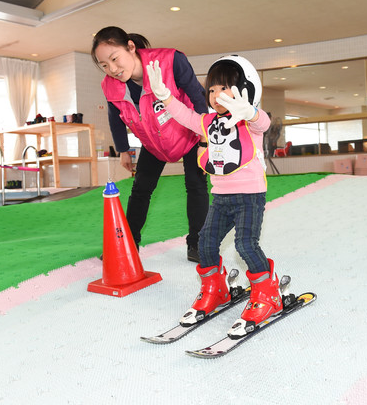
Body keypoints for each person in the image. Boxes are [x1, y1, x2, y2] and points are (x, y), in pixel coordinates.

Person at [146, 55, 284, 338]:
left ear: (244, 89)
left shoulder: (248, 121)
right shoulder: (209, 123)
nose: (216, 95)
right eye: (211, 89)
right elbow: (185, 116)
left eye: (225, 88)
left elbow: (265, 124)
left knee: (245, 245)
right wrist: (165, 96)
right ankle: (214, 290)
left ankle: (268, 294)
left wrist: (251, 112)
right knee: (205, 244)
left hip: (249, 195)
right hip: (220, 196)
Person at [91, 26, 209, 263]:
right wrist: (123, 149)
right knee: (140, 190)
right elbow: (115, 117)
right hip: (154, 141)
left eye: (115, 59)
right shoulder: (110, 85)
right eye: (104, 65)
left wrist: (205, 139)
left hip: (188, 133)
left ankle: (197, 244)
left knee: (195, 185)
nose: (112, 69)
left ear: (131, 47)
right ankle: (128, 244)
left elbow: (198, 96)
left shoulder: (171, 61)